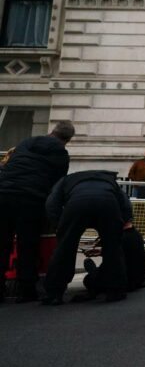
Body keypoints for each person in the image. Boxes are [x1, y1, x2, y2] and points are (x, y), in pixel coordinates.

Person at [0, 120, 74, 302]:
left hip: (4, 193)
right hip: (31, 199)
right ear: (68, 140)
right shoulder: (61, 154)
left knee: (2, 241)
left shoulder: (27, 142)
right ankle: (26, 289)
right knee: (28, 244)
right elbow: (57, 185)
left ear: (52, 131)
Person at [43, 170, 132, 304]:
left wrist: (59, 225)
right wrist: (119, 226)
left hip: (76, 204)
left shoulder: (66, 179)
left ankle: (54, 293)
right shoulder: (110, 182)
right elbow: (126, 204)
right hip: (107, 203)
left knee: (64, 249)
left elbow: (51, 203)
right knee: (113, 249)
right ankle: (115, 290)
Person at [78, 223, 145, 301]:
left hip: (123, 281)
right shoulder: (136, 234)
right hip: (138, 279)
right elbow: (124, 252)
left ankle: (95, 276)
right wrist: (103, 251)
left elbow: (112, 262)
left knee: (88, 276)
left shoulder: (118, 238)